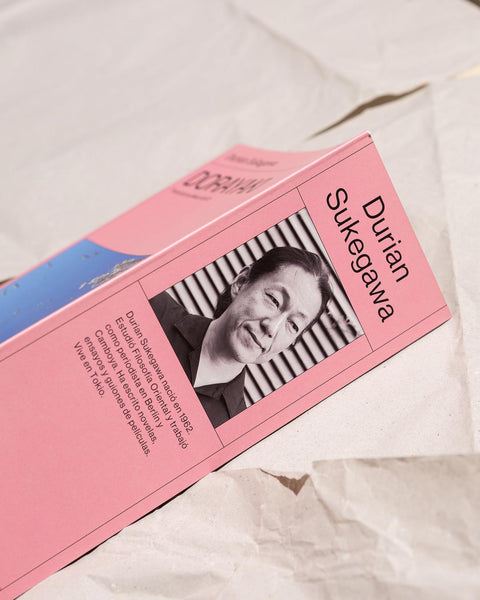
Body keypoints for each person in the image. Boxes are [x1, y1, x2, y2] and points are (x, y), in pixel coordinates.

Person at [149, 246, 331, 428]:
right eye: (274, 300)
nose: (272, 328)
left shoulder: (235, 430)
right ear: (241, 282)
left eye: (293, 325)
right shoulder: (151, 309)